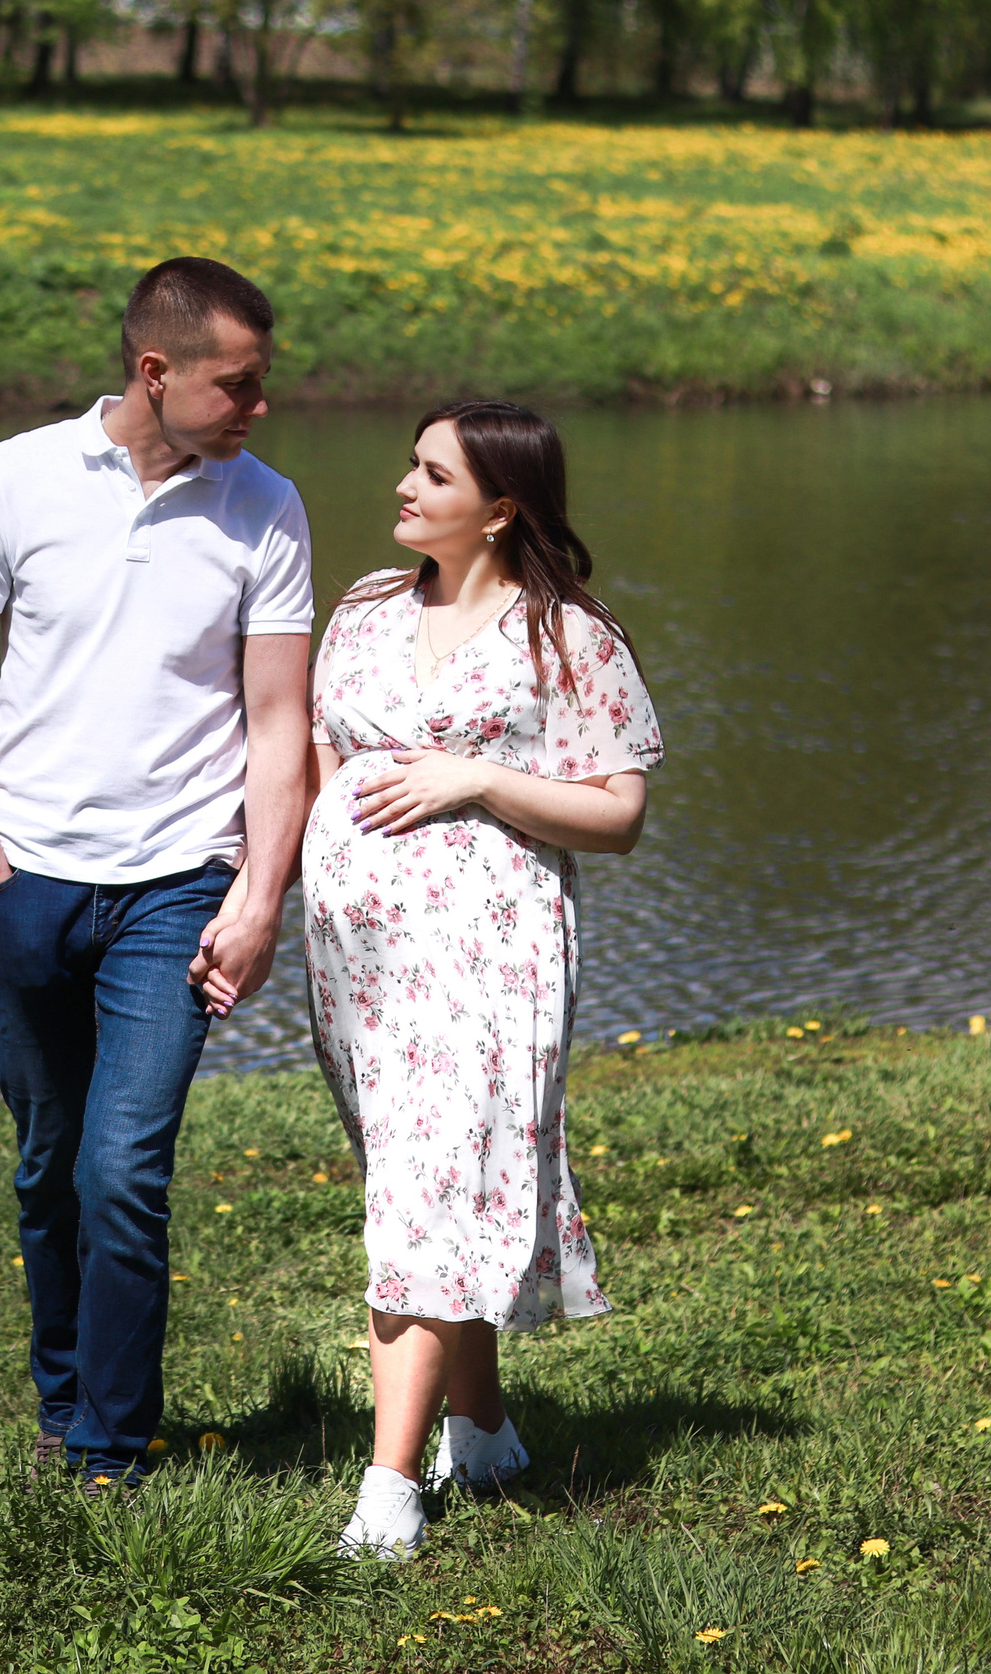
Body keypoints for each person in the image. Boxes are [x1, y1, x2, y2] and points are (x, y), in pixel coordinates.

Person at [0, 257, 312, 1492]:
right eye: (235, 384)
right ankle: (63, 1397)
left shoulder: (267, 507)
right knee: (48, 1163)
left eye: (260, 383)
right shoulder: (11, 478)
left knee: (123, 1169)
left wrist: (256, 901)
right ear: (154, 371)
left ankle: (108, 1451)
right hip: (27, 877)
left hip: (179, 888)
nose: (256, 407)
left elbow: (283, 724)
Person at [302, 400, 662, 1557]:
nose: (403, 487)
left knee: (419, 1195)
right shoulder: (361, 609)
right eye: (410, 464)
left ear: (500, 509)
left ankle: (388, 1493)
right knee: (427, 1182)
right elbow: (322, 764)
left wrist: (476, 781)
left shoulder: (570, 637)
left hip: (488, 951)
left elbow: (617, 818)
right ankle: (487, 1426)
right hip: (356, 961)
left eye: (433, 474)